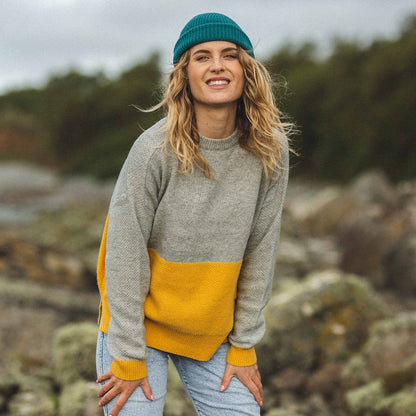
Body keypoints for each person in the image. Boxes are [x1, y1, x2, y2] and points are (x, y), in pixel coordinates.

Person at [95, 12, 292, 416]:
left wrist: (243, 345)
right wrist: (128, 354)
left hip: (211, 330)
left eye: (229, 55)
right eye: (202, 57)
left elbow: (261, 249)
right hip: (138, 326)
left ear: (246, 70)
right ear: (184, 75)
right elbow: (124, 251)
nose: (217, 65)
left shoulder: (270, 151)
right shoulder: (153, 151)